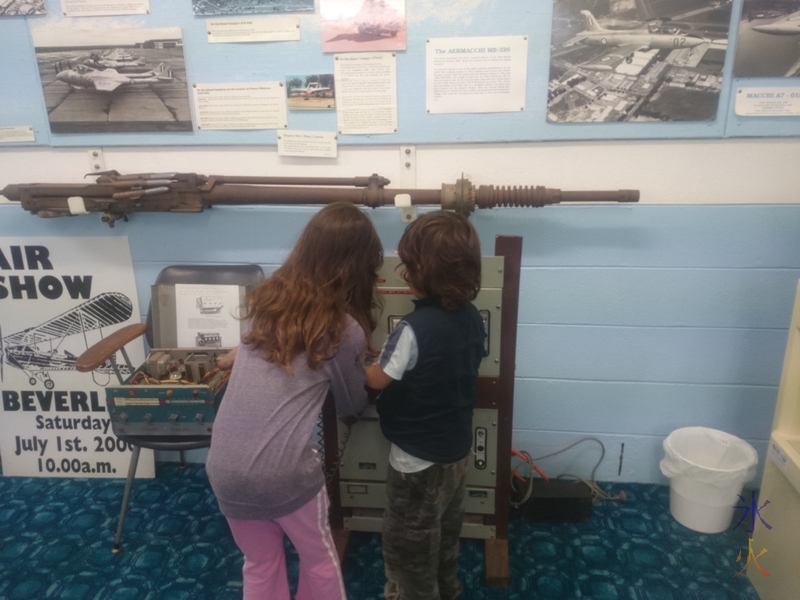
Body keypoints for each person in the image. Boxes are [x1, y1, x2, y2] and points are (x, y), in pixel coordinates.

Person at [206, 202, 383, 600]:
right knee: (318, 558)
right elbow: (352, 403)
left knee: (259, 563)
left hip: (224, 469)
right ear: (358, 265)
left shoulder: (265, 302)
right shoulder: (344, 328)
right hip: (284, 475)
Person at [365, 210, 484, 600]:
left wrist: (361, 360)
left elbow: (376, 379)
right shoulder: (471, 319)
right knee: (445, 539)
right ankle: (448, 590)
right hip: (456, 452)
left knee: (409, 549)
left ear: (421, 271)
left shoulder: (413, 329)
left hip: (416, 462)